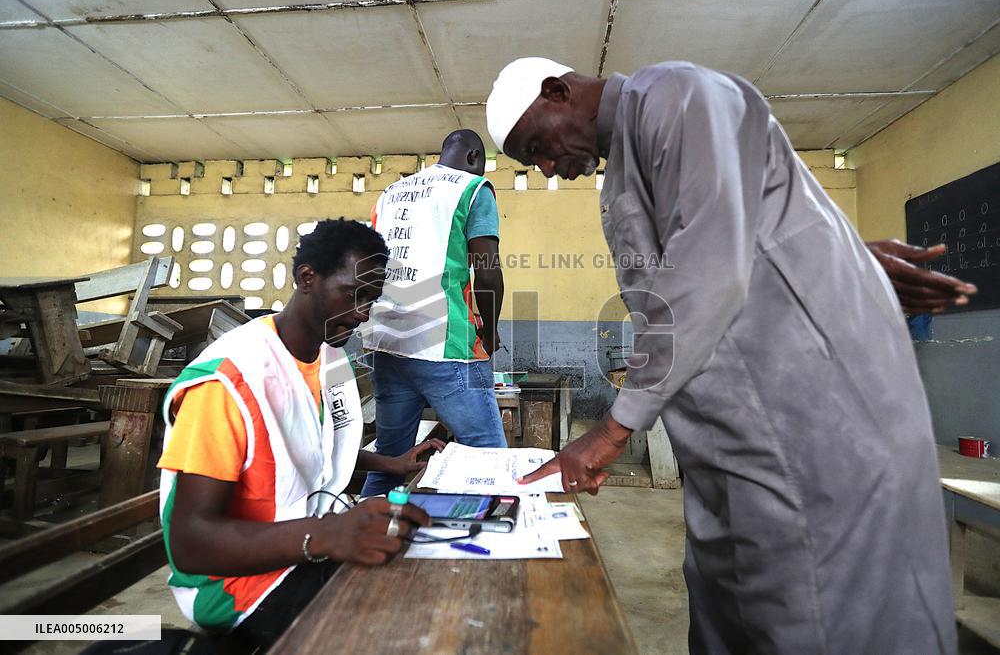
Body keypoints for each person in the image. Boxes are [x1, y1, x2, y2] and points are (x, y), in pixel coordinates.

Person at [488, 58, 959, 654]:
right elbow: (743, 234)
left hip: (804, 437)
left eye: (540, 148)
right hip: (725, 449)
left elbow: (707, 268)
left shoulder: (672, 96)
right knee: (733, 620)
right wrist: (839, 255)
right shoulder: (624, 169)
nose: (552, 168)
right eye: (536, 166)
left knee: (820, 619)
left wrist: (610, 431)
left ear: (558, 92)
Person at [157, 218, 439, 651]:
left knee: (423, 575)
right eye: (354, 294)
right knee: (405, 625)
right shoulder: (230, 380)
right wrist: (328, 535)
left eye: (372, 299)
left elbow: (303, 443)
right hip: (237, 584)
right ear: (308, 278)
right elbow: (191, 542)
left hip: (305, 542)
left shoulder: (324, 355)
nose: (363, 312)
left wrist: (391, 463)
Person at [360, 129, 507, 497]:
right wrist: (489, 331)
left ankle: (364, 543)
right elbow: (487, 270)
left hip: (386, 343)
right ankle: (494, 547)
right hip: (446, 344)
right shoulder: (473, 188)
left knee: (391, 460)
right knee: (488, 460)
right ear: (475, 157)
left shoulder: (390, 194)